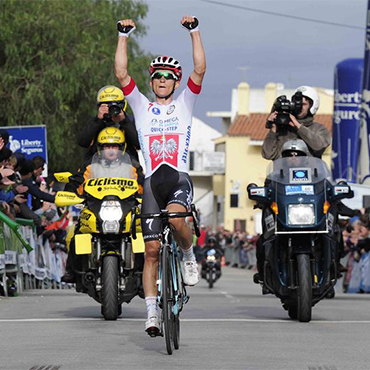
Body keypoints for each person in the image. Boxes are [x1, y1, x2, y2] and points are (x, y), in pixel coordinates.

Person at [115, 15, 206, 335]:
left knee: (180, 220)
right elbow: (121, 74)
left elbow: (200, 70)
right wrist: (123, 36)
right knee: (151, 251)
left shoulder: (185, 103)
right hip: (153, 182)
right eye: (157, 77)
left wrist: (194, 32)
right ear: (152, 82)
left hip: (177, 178)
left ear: (176, 81)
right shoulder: (140, 106)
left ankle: (188, 254)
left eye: (168, 76)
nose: (163, 80)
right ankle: (152, 313)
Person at [61, 127, 140, 284]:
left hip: (125, 210)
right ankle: (72, 270)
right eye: (106, 146)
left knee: (143, 233)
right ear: (100, 148)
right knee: (76, 233)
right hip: (96, 209)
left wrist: (148, 196)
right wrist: (70, 193)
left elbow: (144, 184)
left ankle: (144, 274)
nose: (110, 150)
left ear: (121, 148)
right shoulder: (90, 167)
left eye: (114, 146)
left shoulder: (132, 168)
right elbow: (76, 182)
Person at [262, 86, 331, 160]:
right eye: (296, 104)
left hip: (310, 170)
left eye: (304, 104)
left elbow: (319, 146)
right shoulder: (283, 130)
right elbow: (268, 154)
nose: (299, 107)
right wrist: (273, 128)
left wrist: (298, 126)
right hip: (284, 171)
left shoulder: (318, 128)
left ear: (312, 106)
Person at [78, 85, 140, 165]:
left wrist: (124, 121)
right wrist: (98, 120)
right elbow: (82, 142)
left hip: (126, 170)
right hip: (98, 170)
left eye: (115, 105)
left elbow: (139, 145)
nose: (112, 109)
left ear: (123, 105)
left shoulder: (131, 122)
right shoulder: (95, 123)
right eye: (107, 105)